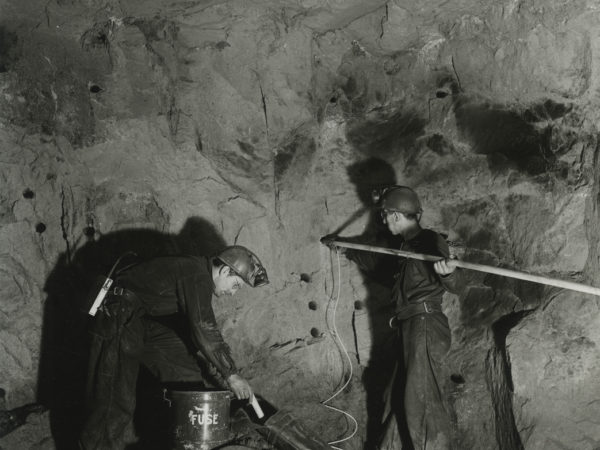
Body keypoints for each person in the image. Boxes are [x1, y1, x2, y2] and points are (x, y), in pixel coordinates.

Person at [79, 245, 269, 450]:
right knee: (115, 401)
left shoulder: (196, 273)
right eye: (236, 285)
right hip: (118, 312)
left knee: (184, 368)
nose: (233, 293)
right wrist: (231, 375)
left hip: (143, 320)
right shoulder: (197, 275)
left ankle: (193, 440)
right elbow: (203, 326)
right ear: (224, 271)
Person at [322, 186, 460, 450]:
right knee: (395, 399)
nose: (384, 221)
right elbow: (379, 264)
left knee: (422, 402)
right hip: (411, 327)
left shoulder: (430, 241)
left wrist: (448, 272)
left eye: (385, 215)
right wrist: (346, 249)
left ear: (396, 215)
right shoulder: (404, 249)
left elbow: (456, 282)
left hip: (426, 325)